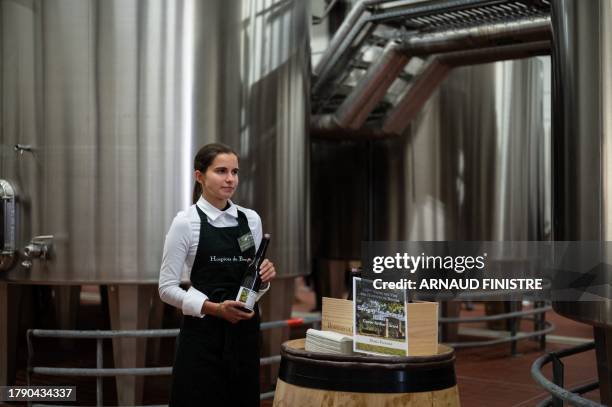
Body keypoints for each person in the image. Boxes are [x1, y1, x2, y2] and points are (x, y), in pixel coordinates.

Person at [159, 143, 276, 406]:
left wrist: (264, 280)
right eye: (221, 171)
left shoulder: (251, 220)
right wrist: (215, 309)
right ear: (199, 176)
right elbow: (166, 288)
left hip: (244, 336)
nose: (230, 179)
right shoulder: (185, 223)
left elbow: (253, 283)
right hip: (202, 336)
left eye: (234, 171)